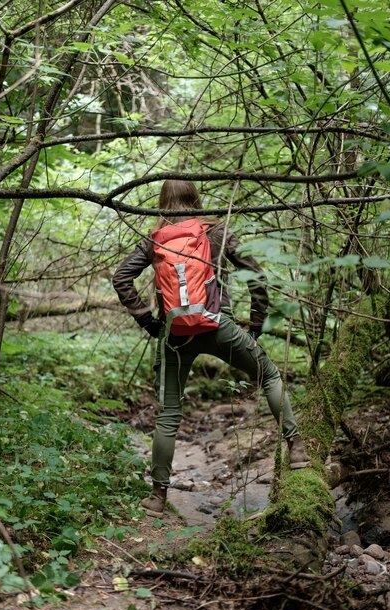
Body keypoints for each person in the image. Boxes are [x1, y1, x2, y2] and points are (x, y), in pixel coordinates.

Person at [112, 180, 310, 517]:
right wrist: (257, 321)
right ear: (195, 197)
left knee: (169, 415)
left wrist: (149, 323)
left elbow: (121, 278)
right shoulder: (215, 231)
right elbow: (256, 274)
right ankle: (297, 450)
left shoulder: (154, 238)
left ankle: (158, 498)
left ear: (162, 201)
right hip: (221, 326)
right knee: (269, 376)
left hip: (175, 335)